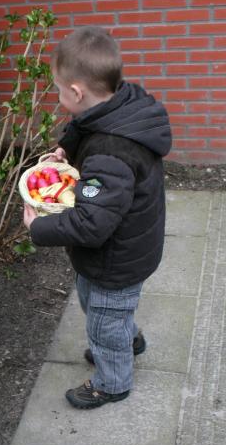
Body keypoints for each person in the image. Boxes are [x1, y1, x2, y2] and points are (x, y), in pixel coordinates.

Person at [23, 26, 172, 410]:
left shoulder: (111, 153)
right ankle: (128, 339)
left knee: (104, 321)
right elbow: (84, 126)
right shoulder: (121, 104)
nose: (58, 97)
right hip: (126, 249)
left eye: (58, 89)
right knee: (100, 305)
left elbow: (91, 224)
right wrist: (64, 148)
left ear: (76, 92)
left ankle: (112, 381)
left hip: (115, 257)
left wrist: (38, 227)